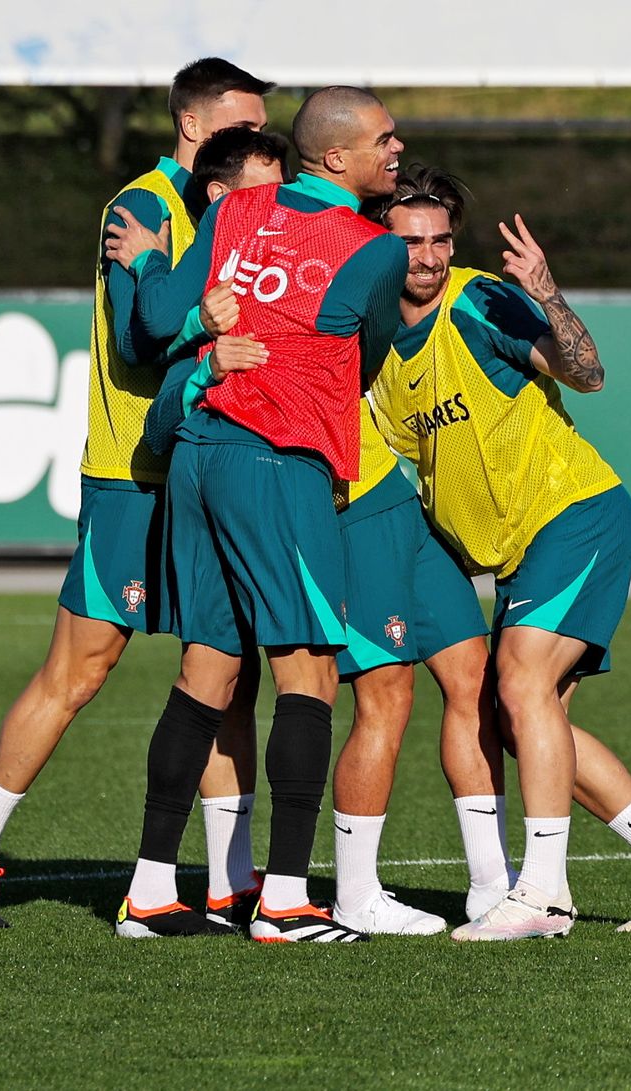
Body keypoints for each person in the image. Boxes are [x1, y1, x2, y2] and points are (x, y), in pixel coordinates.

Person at [0, 58, 273, 931]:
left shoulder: (227, 209)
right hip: (133, 474)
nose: (259, 143)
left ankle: (231, 878)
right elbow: (133, 336)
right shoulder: (144, 207)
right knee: (80, 668)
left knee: (226, 673)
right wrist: (201, 317)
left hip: (206, 464)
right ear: (194, 127)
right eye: (243, 126)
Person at [362, 168, 631, 940]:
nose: (426, 257)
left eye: (440, 240)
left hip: (575, 512)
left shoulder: (476, 301)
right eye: (410, 242)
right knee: (531, 717)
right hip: (514, 548)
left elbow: (586, 375)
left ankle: (545, 894)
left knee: (519, 681)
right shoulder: (377, 342)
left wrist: (548, 292)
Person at [108, 85, 407, 942]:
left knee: (207, 669)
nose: (396, 151)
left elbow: (163, 318)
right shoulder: (373, 247)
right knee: (309, 672)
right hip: (277, 461)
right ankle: (283, 900)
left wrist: (151, 267)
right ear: (336, 157)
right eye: (384, 141)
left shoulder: (238, 209)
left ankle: (152, 892)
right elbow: (367, 353)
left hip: (198, 449)